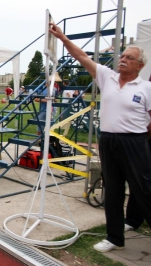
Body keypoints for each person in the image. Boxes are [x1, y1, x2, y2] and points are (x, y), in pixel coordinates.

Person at [49, 22, 151, 253]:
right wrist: (62, 38)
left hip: (135, 143)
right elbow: (82, 56)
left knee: (144, 189)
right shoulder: (107, 77)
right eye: (122, 55)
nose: (122, 58)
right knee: (112, 190)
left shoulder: (145, 88)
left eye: (129, 57)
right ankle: (114, 237)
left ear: (139, 65)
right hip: (108, 141)